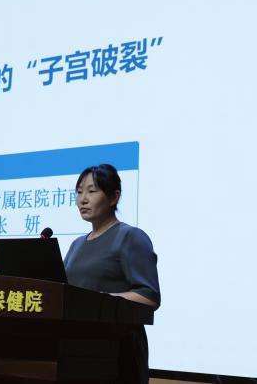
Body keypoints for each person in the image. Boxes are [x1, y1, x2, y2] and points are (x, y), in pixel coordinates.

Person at [63, 164, 160, 384]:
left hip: (118, 352)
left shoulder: (131, 237)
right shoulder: (76, 244)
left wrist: (98, 300)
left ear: (114, 197)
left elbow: (149, 297)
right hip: (76, 351)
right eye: (79, 192)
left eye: (92, 191)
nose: (83, 199)